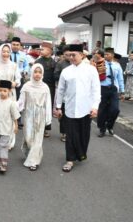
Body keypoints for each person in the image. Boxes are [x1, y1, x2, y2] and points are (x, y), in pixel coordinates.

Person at [55, 44, 101, 172]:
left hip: (86, 110)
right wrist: (58, 107)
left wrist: (95, 107)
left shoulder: (91, 70)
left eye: (74, 55)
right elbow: (61, 90)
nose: (71, 57)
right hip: (69, 109)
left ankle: (80, 154)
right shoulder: (66, 71)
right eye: (69, 55)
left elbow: (96, 90)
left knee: (83, 135)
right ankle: (69, 160)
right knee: (70, 135)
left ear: (82, 55)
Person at [18, 64, 52, 171]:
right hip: (28, 115)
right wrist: (13, 109)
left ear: (42, 74)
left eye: (40, 72)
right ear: (32, 73)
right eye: (35, 72)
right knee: (28, 137)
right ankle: (30, 153)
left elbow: (48, 103)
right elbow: (21, 102)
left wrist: (48, 118)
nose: (37, 74)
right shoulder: (26, 86)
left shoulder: (45, 87)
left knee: (38, 138)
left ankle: (34, 161)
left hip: (40, 116)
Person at [97, 47, 124, 137]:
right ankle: (102, 129)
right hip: (102, 88)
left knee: (115, 109)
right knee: (102, 110)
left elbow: (120, 79)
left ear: (112, 55)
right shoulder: (100, 64)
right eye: (104, 54)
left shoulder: (117, 65)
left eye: (107, 54)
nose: (105, 56)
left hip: (113, 89)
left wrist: (122, 91)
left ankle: (110, 126)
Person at [35, 41, 56, 138]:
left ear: (50, 51)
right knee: (38, 106)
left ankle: (46, 128)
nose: (41, 51)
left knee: (48, 107)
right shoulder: (38, 62)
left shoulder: (54, 63)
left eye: (43, 49)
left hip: (50, 88)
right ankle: (37, 127)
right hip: (38, 87)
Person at [54, 46, 71, 142]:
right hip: (63, 92)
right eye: (66, 55)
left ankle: (70, 132)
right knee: (63, 115)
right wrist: (64, 78)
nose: (69, 57)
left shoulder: (76, 64)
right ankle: (64, 133)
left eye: (70, 55)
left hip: (73, 95)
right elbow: (55, 75)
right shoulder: (60, 63)